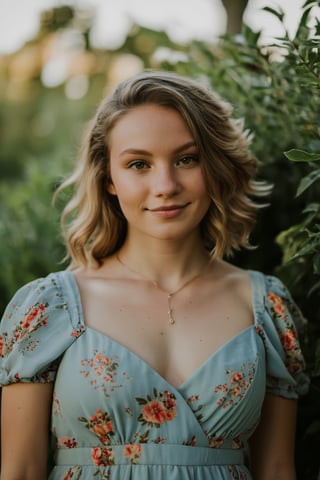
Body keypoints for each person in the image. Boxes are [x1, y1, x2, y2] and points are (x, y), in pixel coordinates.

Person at [0, 70, 309, 480]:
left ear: (214, 165)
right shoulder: (49, 309)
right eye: (138, 164)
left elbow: (276, 469)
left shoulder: (265, 308)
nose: (165, 185)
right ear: (109, 178)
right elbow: (20, 470)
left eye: (186, 159)